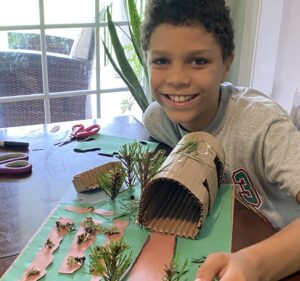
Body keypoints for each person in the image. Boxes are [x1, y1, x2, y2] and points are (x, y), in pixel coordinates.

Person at [140, 0, 300, 280]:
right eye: (161, 61)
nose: (176, 79)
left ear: (227, 63)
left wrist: (255, 264)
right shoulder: (157, 119)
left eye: (198, 61)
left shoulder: (263, 126)